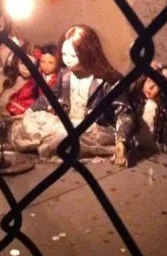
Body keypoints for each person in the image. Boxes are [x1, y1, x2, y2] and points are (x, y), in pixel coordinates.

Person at [11, 25, 134, 167]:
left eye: (73, 56)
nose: (67, 60)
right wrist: (30, 111)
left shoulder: (109, 79)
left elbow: (124, 113)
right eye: (64, 54)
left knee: (62, 138)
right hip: (67, 123)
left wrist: (121, 140)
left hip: (94, 129)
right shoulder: (65, 75)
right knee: (30, 123)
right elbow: (49, 96)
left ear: (88, 53)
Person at [4, 44, 59, 116]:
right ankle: (14, 109)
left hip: (48, 102)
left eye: (51, 62)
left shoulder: (57, 78)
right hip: (36, 99)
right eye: (43, 61)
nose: (46, 65)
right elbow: (28, 89)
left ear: (57, 63)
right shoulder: (38, 74)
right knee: (25, 93)